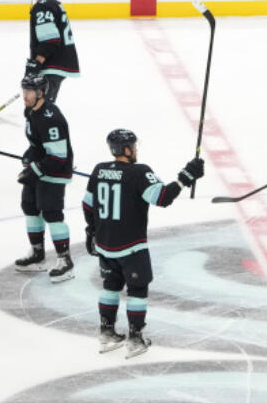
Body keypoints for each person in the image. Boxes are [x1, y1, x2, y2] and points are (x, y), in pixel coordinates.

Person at [82, 128, 204, 357]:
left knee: (111, 285)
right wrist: (186, 176)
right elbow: (162, 197)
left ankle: (106, 331)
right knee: (137, 288)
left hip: (106, 244)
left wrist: (91, 231)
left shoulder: (99, 170)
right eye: (134, 146)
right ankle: (135, 337)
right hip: (131, 246)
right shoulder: (139, 172)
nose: (136, 149)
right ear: (126, 149)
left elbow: (88, 205)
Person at [15, 73, 76, 282]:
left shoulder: (51, 118)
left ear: (41, 93)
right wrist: (29, 155)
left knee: (51, 212)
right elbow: (37, 144)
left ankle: (65, 260)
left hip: (55, 172)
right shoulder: (31, 111)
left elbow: (58, 157)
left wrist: (35, 170)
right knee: (29, 206)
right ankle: (37, 254)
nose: (25, 95)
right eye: (24, 90)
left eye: (29, 91)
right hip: (41, 167)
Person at [24, 0, 79, 103]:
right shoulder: (51, 4)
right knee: (40, 105)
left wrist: (36, 63)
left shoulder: (43, 7)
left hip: (52, 65)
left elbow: (50, 40)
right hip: (56, 64)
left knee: (41, 107)